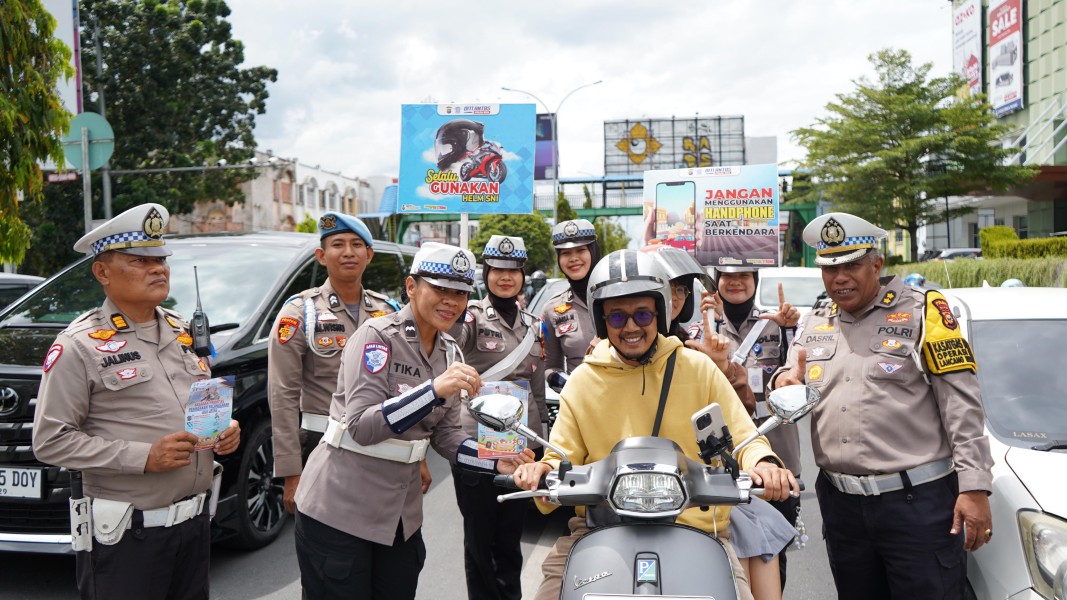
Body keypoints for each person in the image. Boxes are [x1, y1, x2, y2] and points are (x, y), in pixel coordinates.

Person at [514, 249, 798, 600]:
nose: (631, 327)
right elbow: (561, 455)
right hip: (600, 527)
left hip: (696, 528)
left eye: (643, 314)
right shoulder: (583, 381)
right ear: (602, 322)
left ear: (660, 313)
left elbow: (744, 437)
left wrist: (764, 464)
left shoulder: (698, 368)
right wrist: (539, 473)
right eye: (617, 318)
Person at [771, 212, 994, 599]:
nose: (839, 278)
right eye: (829, 267)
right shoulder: (817, 319)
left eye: (852, 265)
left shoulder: (925, 311)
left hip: (917, 507)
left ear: (877, 263)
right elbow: (790, 374)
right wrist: (783, 382)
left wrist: (975, 487)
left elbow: (962, 404)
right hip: (842, 507)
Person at [293, 242, 533, 600]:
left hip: (399, 517)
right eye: (440, 289)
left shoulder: (449, 350)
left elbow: (447, 435)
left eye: (460, 293)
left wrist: (493, 459)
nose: (451, 301)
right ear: (411, 286)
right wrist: (433, 391)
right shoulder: (376, 338)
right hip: (340, 508)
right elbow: (361, 424)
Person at [32, 203, 241, 600]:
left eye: (161, 258)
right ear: (102, 272)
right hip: (129, 536)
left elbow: (201, 405)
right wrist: (143, 457)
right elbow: (50, 440)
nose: (158, 268)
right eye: (140, 260)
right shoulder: (78, 345)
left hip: (195, 524)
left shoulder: (184, 331)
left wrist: (224, 431)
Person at [652, 247, 795, 600]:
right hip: (639, 490)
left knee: (753, 549)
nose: (672, 299)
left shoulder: (697, 348)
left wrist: (722, 366)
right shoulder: (607, 355)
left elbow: (739, 416)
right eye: (665, 289)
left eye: (680, 291)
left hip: (707, 484)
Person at [268, 212, 408, 516]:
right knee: (330, 545)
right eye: (338, 244)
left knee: (383, 533)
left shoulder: (388, 312)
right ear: (321, 255)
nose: (348, 252)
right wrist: (291, 472)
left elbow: (403, 386)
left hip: (383, 444)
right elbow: (283, 396)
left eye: (357, 244)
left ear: (369, 255)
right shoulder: (300, 313)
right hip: (324, 445)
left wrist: (417, 455)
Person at [448, 235, 545, 600]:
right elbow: (450, 335)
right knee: (480, 543)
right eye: (497, 270)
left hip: (519, 447)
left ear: (522, 275)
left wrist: (538, 445)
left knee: (509, 540)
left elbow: (536, 391)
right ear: (485, 274)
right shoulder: (470, 318)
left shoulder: (534, 325)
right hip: (478, 447)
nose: (505, 278)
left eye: (513, 270)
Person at [703, 265, 803, 592]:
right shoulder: (702, 327)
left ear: (755, 282)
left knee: (772, 554)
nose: (735, 282)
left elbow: (797, 371)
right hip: (722, 460)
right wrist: (706, 322)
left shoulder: (777, 324)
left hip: (775, 455)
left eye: (744, 276)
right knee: (720, 557)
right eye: (728, 276)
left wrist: (791, 330)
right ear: (716, 281)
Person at [541, 219, 600, 385]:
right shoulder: (551, 310)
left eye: (581, 250)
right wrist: (568, 386)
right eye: (566, 253)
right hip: (579, 406)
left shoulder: (618, 297)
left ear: (593, 252)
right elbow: (550, 367)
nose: (573, 258)